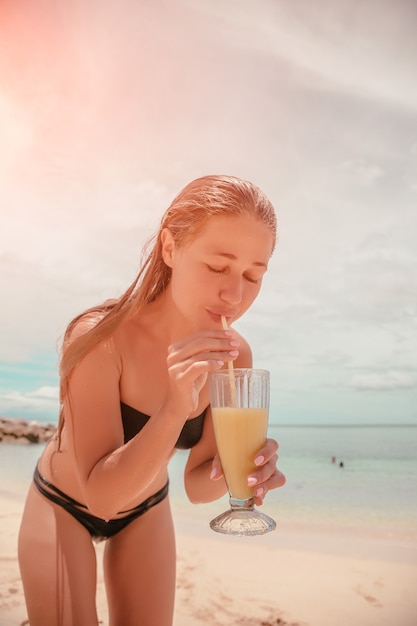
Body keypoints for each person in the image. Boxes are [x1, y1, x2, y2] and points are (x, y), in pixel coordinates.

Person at [18, 174, 286, 626]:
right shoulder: (101, 340)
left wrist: (244, 473)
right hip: (63, 503)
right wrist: (176, 407)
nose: (235, 294)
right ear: (169, 248)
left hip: (146, 508)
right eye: (217, 266)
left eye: (253, 276)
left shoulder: (234, 354)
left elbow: (199, 487)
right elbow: (100, 496)